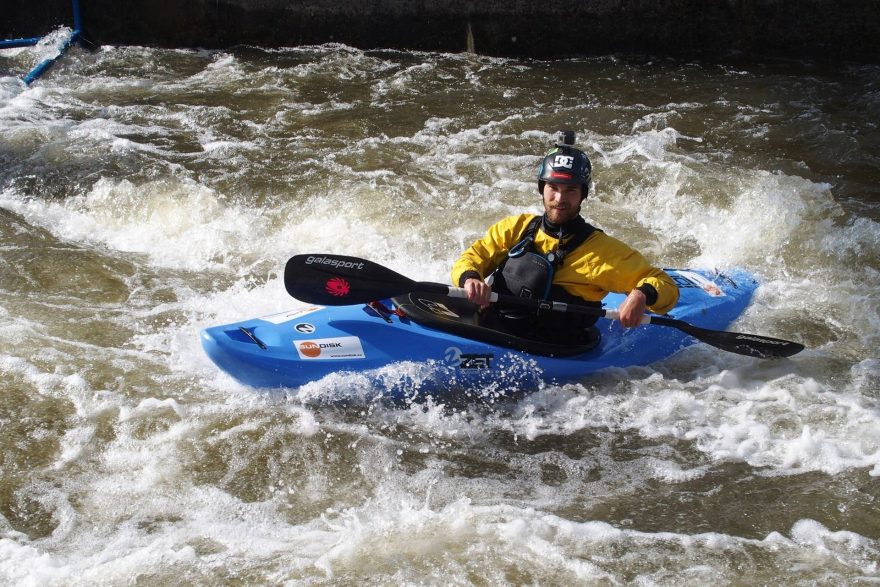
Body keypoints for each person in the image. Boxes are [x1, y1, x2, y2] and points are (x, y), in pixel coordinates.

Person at [451, 131, 679, 346]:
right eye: (553, 187)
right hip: (495, 329)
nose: (560, 198)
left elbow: (665, 284)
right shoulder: (516, 228)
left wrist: (641, 295)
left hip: (553, 348)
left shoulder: (601, 252)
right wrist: (470, 279)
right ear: (542, 188)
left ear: (582, 195)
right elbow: (471, 258)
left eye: (570, 190)